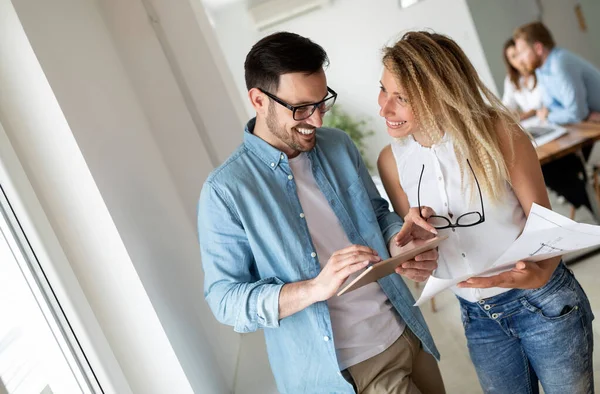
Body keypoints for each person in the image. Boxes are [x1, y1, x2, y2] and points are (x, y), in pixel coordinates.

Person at [198, 32, 445, 393]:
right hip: (349, 369)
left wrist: (398, 240)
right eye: (300, 108)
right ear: (258, 100)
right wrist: (314, 289)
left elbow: (375, 213)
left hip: (406, 331)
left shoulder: (338, 146)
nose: (316, 121)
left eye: (321, 102)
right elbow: (224, 299)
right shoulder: (225, 191)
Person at [377, 31, 594, 394]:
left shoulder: (500, 133)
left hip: (543, 303)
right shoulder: (392, 161)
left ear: (440, 93)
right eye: (383, 89)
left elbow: (548, 228)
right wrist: (412, 257)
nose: (384, 108)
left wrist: (538, 276)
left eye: (401, 98)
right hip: (479, 318)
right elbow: (425, 249)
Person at [513, 21, 600, 124]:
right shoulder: (540, 69)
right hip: (591, 123)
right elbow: (550, 106)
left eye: (522, 52)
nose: (520, 60)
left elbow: (577, 114)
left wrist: (548, 116)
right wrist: (580, 114)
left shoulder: (560, 63)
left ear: (538, 48)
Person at [501, 38, 542, 120]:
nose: (519, 60)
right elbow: (507, 105)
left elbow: (542, 106)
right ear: (509, 62)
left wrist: (523, 116)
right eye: (513, 57)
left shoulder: (540, 71)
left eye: (519, 53)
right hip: (531, 124)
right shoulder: (511, 79)